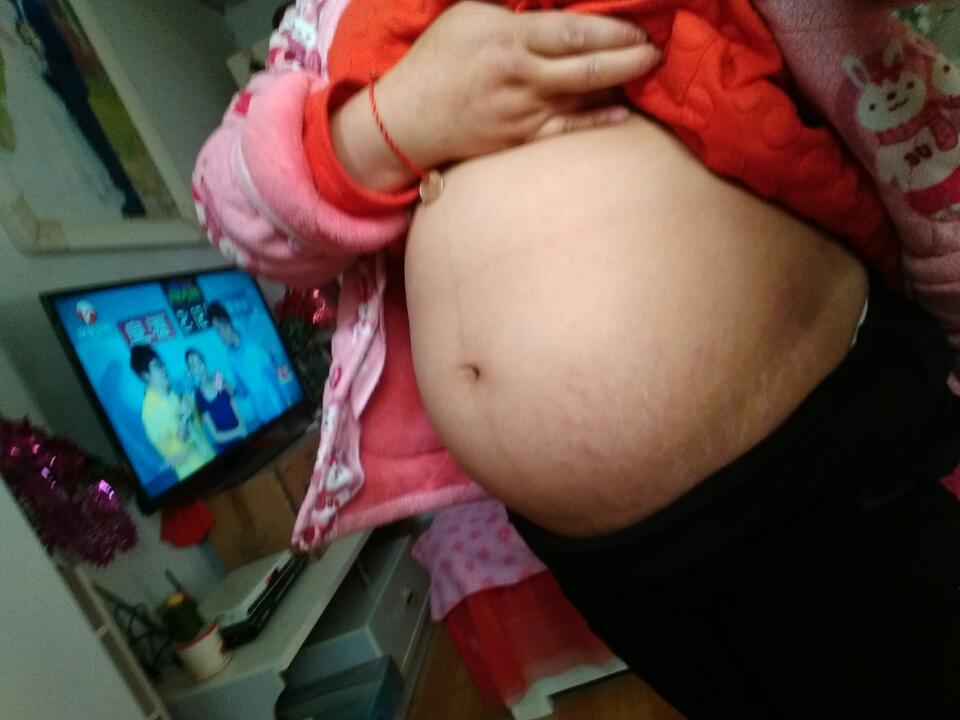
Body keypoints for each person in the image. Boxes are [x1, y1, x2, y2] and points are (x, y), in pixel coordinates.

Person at [194, 2, 960, 716]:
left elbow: (887, 97)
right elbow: (231, 205)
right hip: (607, 558)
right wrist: (388, 125)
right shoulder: (326, 21)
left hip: (821, 457)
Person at [130, 345, 214, 481]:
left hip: (209, 456)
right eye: (157, 366)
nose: (164, 369)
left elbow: (196, 424)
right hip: (195, 471)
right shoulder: (150, 412)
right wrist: (185, 417)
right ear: (146, 375)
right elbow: (179, 446)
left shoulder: (171, 394)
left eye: (162, 364)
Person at [206, 301, 286, 429]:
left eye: (219, 330)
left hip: (278, 407)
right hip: (262, 415)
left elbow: (275, 377)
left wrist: (285, 405)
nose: (220, 337)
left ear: (227, 325)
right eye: (217, 332)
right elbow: (244, 391)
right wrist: (230, 390)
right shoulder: (230, 357)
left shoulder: (253, 344)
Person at [184, 348, 247, 452]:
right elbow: (216, 436)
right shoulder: (198, 396)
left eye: (200, 362)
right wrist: (239, 431)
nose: (199, 367)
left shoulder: (218, 377)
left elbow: (236, 408)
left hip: (243, 437)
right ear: (190, 371)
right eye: (193, 365)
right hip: (226, 447)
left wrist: (242, 427)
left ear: (204, 362)